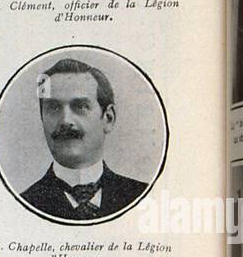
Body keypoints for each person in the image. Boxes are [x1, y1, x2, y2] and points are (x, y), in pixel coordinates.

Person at [19, 56, 150, 221]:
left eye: (80, 106)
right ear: (42, 118)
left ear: (108, 118)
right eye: (53, 107)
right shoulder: (21, 205)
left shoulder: (144, 198)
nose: (65, 120)